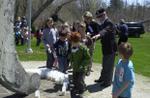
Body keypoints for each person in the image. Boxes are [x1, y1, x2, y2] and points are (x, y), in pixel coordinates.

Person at [93, 8, 117, 88]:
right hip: (105, 47)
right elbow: (101, 34)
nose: (99, 18)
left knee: (109, 66)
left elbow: (105, 31)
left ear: (104, 14)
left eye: (100, 16)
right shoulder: (103, 23)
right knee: (104, 64)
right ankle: (102, 78)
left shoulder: (109, 23)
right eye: (98, 17)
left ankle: (107, 82)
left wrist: (98, 35)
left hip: (111, 48)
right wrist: (95, 37)